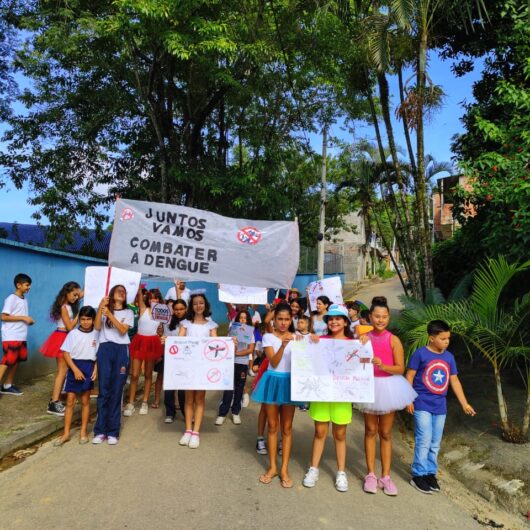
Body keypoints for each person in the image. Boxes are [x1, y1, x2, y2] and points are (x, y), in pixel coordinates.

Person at [406, 320, 476, 494]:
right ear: (431, 338)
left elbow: (454, 380)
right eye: (443, 338)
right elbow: (409, 376)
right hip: (422, 403)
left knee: (435, 442)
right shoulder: (420, 354)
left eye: (448, 338)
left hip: (440, 406)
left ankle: (430, 473)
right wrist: (408, 399)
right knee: (424, 439)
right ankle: (418, 475)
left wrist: (464, 403)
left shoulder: (449, 357)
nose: (447, 341)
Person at [359, 296, 417, 495]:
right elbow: (354, 359)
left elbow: (400, 368)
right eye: (376, 316)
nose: (380, 320)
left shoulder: (394, 340)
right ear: (370, 316)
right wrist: (361, 346)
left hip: (389, 387)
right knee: (369, 430)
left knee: (385, 433)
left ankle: (386, 476)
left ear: (388, 317)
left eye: (384, 316)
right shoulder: (364, 337)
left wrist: (383, 366)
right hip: (368, 387)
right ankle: (370, 475)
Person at [303, 304, 354, 492]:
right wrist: (310, 340)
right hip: (322, 392)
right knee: (320, 432)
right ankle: (313, 469)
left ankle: (341, 472)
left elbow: (360, 363)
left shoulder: (353, 343)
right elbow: (306, 354)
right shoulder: (320, 340)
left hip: (342, 394)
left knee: (340, 434)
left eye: (338, 318)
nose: (334, 321)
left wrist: (363, 343)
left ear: (345, 321)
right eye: (331, 319)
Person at [252, 303, 301, 488]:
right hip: (272, 382)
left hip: (290, 383)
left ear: (291, 320)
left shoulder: (297, 338)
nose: (283, 323)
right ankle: (272, 467)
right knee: (272, 427)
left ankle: (284, 469)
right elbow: (273, 360)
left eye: (286, 319)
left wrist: (311, 339)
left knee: (287, 428)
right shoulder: (267, 337)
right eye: (279, 319)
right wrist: (283, 345)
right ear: (274, 319)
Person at [93, 284, 134, 445]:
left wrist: (109, 314)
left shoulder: (129, 312)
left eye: (124, 292)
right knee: (104, 390)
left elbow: (123, 330)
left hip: (121, 350)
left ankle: (113, 431)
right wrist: (100, 309)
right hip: (105, 348)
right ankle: (100, 430)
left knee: (117, 390)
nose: (122, 293)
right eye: (119, 290)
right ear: (112, 294)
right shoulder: (104, 310)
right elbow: (97, 326)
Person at [53, 306, 99, 446]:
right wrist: (74, 369)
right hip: (74, 367)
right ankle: (66, 433)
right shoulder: (73, 334)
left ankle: (83, 432)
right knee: (70, 401)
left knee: (85, 401)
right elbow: (66, 353)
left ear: (93, 319)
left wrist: (95, 369)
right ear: (79, 319)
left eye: (89, 319)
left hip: (88, 367)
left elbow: (97, 354)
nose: (85, 322)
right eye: (83, 319)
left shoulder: (97, 334)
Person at [178, 293, 218, 449]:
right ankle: (187, 430)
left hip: (203, 367)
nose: (198, 306)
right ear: (191, 306)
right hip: (188, 366)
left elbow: (216, 344)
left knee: (199, 399)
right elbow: (179, 342)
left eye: (201, 303)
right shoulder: (185, 323)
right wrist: (168, 341)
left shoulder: (211, 325)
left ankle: (196, 432)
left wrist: (230, 342)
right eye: (195, 303)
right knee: (188, 399)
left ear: (205, 305)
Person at [40, 281, 82, 416]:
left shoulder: (65, 304)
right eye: (74, 295)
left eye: (77, 295)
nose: (76, 297)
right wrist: (78, 316)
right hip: (62, 337)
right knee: (62, 372)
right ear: (67, 292)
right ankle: (53, 402)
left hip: (63, 336)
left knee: (63, 371)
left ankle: (56, 399)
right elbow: (70, 327)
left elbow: (80, 294)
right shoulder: (64, 307)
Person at [123, 288, 164, 416]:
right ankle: (131, 403)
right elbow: (139, 292)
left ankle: (145, 402)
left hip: (152, 343)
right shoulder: (142, 308)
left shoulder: (162, 313)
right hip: (140, 342)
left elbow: (161, 331)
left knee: (148, 374)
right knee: (134, 374)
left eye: (156, 297)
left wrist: (161, 330)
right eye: (151, 297)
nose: (153, 299)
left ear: (159, 299)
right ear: (147, 298)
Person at [216, 310, 255, 425]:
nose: (243, 320)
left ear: (248, 320)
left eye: (245, 318)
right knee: (228, 388)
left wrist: (237, 354)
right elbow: (226, 345)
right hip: (230, 362)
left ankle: (235, 413)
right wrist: (231, 342)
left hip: (242, 364)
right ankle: (222, 413)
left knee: (239, 388)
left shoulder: (250, 333)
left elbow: (250, 349)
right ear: (238, 319)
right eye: (241, 318)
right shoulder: (232, 331)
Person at [0, 273, 34, 396]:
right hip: (11, 336)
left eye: (29, 285)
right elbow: (3, 317)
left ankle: (7, 385)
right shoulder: (11, 299)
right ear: (18, 285)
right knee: (7, 360)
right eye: (27, 285)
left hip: (20, 336)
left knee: (16, 361)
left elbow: (20, 317)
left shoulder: (24, 299)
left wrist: (26, 321)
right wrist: (24, 318)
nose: (29, 287)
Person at [158, 299, 187, 423]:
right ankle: (170, 413)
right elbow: (164, 339)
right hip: (170, 358)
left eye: (181, 309)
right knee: (169, 386)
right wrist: (162, 339)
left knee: (183, 388)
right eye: (176, 309)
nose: (178, 311)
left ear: (186, 309)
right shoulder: (168, 322)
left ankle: (186, 412)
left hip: (186, 359)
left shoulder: (190, 323)